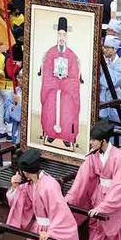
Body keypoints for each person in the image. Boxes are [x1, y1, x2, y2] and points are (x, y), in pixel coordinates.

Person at [39, 16, 83, 147]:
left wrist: (64, 84)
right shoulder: (50, 53)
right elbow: (46, 73)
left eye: (64, 34)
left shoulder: (72, 55)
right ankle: (51, 134)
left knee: (68, 111)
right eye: (59, 34)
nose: (62, 37)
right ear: (56, 35)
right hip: (52, 89)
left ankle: (67, 137)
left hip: (67, 91)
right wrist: (55, 84)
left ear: (67, 36)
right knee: (49, 109)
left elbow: (74, 76)